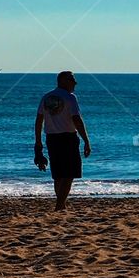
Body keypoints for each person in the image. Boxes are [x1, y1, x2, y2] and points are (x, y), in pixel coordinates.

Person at [35, 71, 91, 211]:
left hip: (51, 138)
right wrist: (86, 140)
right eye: (72, 80)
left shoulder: (46, 97)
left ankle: (61, 204)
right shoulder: (70, 98)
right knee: (69, 173)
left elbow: (39, 121)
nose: (75, 83)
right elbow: (77, 120)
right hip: (67, 138)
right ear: (63, 81)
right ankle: (59, 205)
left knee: (58, 174)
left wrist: (39, 141)